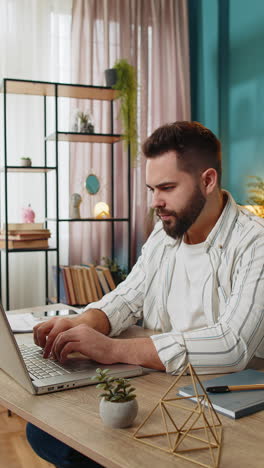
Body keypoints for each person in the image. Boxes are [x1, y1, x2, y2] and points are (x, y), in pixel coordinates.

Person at [27, 121, 264, 467]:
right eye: (151, 189)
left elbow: (231, 345)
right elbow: (128, 297)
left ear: (208, 181)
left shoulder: (255, 243)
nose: (156, 202)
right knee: (44, 434)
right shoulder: (164, 232)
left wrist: (112, 349)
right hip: (160, 385)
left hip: (228, 401)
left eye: (167, 188)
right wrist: (84, 321)